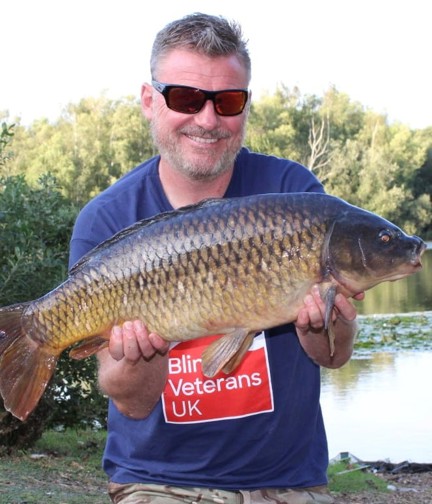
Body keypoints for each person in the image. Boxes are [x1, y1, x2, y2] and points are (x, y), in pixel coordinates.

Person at [69, 12, 361, 504]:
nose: (208, 120)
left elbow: (333, 356)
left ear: (246, 106)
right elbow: (133, 402)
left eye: (227, 102)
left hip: (286, 477)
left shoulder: (295, 194)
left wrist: (325, 323)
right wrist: (140, 354)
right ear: (149, 101)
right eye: (186, 98)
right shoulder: (107, 219)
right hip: (157, 477)